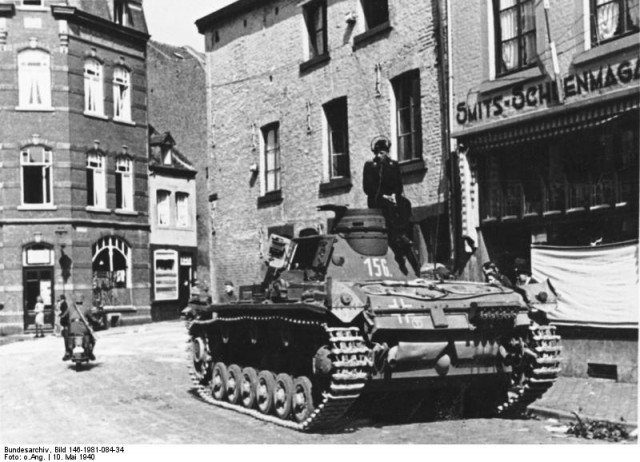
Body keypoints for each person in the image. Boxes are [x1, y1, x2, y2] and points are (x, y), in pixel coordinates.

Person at [362, 135, 419, 275]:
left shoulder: (393, 165)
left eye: (383, 152)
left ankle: (402, 233)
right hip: (377, 198)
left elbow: (398, 184)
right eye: (378, 153)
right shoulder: (370, 166)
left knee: (405, 204)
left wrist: (394, 195)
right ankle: (397, 236)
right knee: (387, 207)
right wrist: (383, 196)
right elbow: (367, 187)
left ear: (387, 152)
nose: (380, 155)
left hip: (391, 196)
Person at [60, 294, 97, 361]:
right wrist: (97, 323)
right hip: (83, 330)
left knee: (66, 336)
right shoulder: (86, 308)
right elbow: (92, 319)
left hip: (72, 329)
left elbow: (63, 318)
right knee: (93, 337)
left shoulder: (70, 308)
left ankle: (68, 352)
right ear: (82, 300)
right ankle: (90, 352)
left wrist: (65, 325)